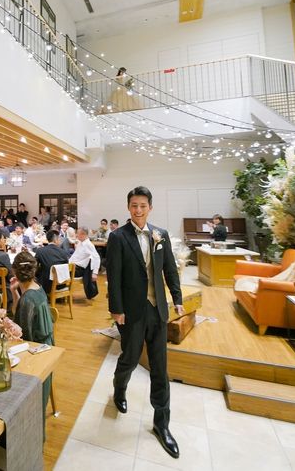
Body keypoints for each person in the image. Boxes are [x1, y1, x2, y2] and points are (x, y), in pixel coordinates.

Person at [107, 186, 183, 459]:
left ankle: (162, 423)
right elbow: (114, 276)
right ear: (128, 208)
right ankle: (119, 388)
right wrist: (116, 309)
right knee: (129, 358)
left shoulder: (160, 234)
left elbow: (170, 268)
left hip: (157, 310)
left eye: (142, 205)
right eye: (134, 205)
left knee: (160, 368)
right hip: (131, 311)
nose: (138, 210)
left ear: (150, 207)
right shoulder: (118, 237)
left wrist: (177, 298)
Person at [10, 252, 54, 423]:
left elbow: (22, 337)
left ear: (15, 272)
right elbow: (20, 310)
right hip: (48, 346)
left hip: (36, 353)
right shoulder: (38, 288)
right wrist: (14, 291)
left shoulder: (28, 300)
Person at [34, 230, 70, 294]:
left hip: (46, 285)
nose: (60, 240)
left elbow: (35, 267)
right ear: (56, 239)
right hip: (61, 284)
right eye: (59, 238)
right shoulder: (63, 252)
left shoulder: (40, 251)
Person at [69, 227, 100, 299]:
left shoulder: (88, 244)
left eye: (78, 233)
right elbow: (75, 256)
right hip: (74, 266)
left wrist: (95, 273)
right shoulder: (81, 243)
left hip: (79, 270)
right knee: (60, 270)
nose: (76, 235)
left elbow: (97, 258)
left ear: (83, 234)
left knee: (59, 272)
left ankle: (60, 292)